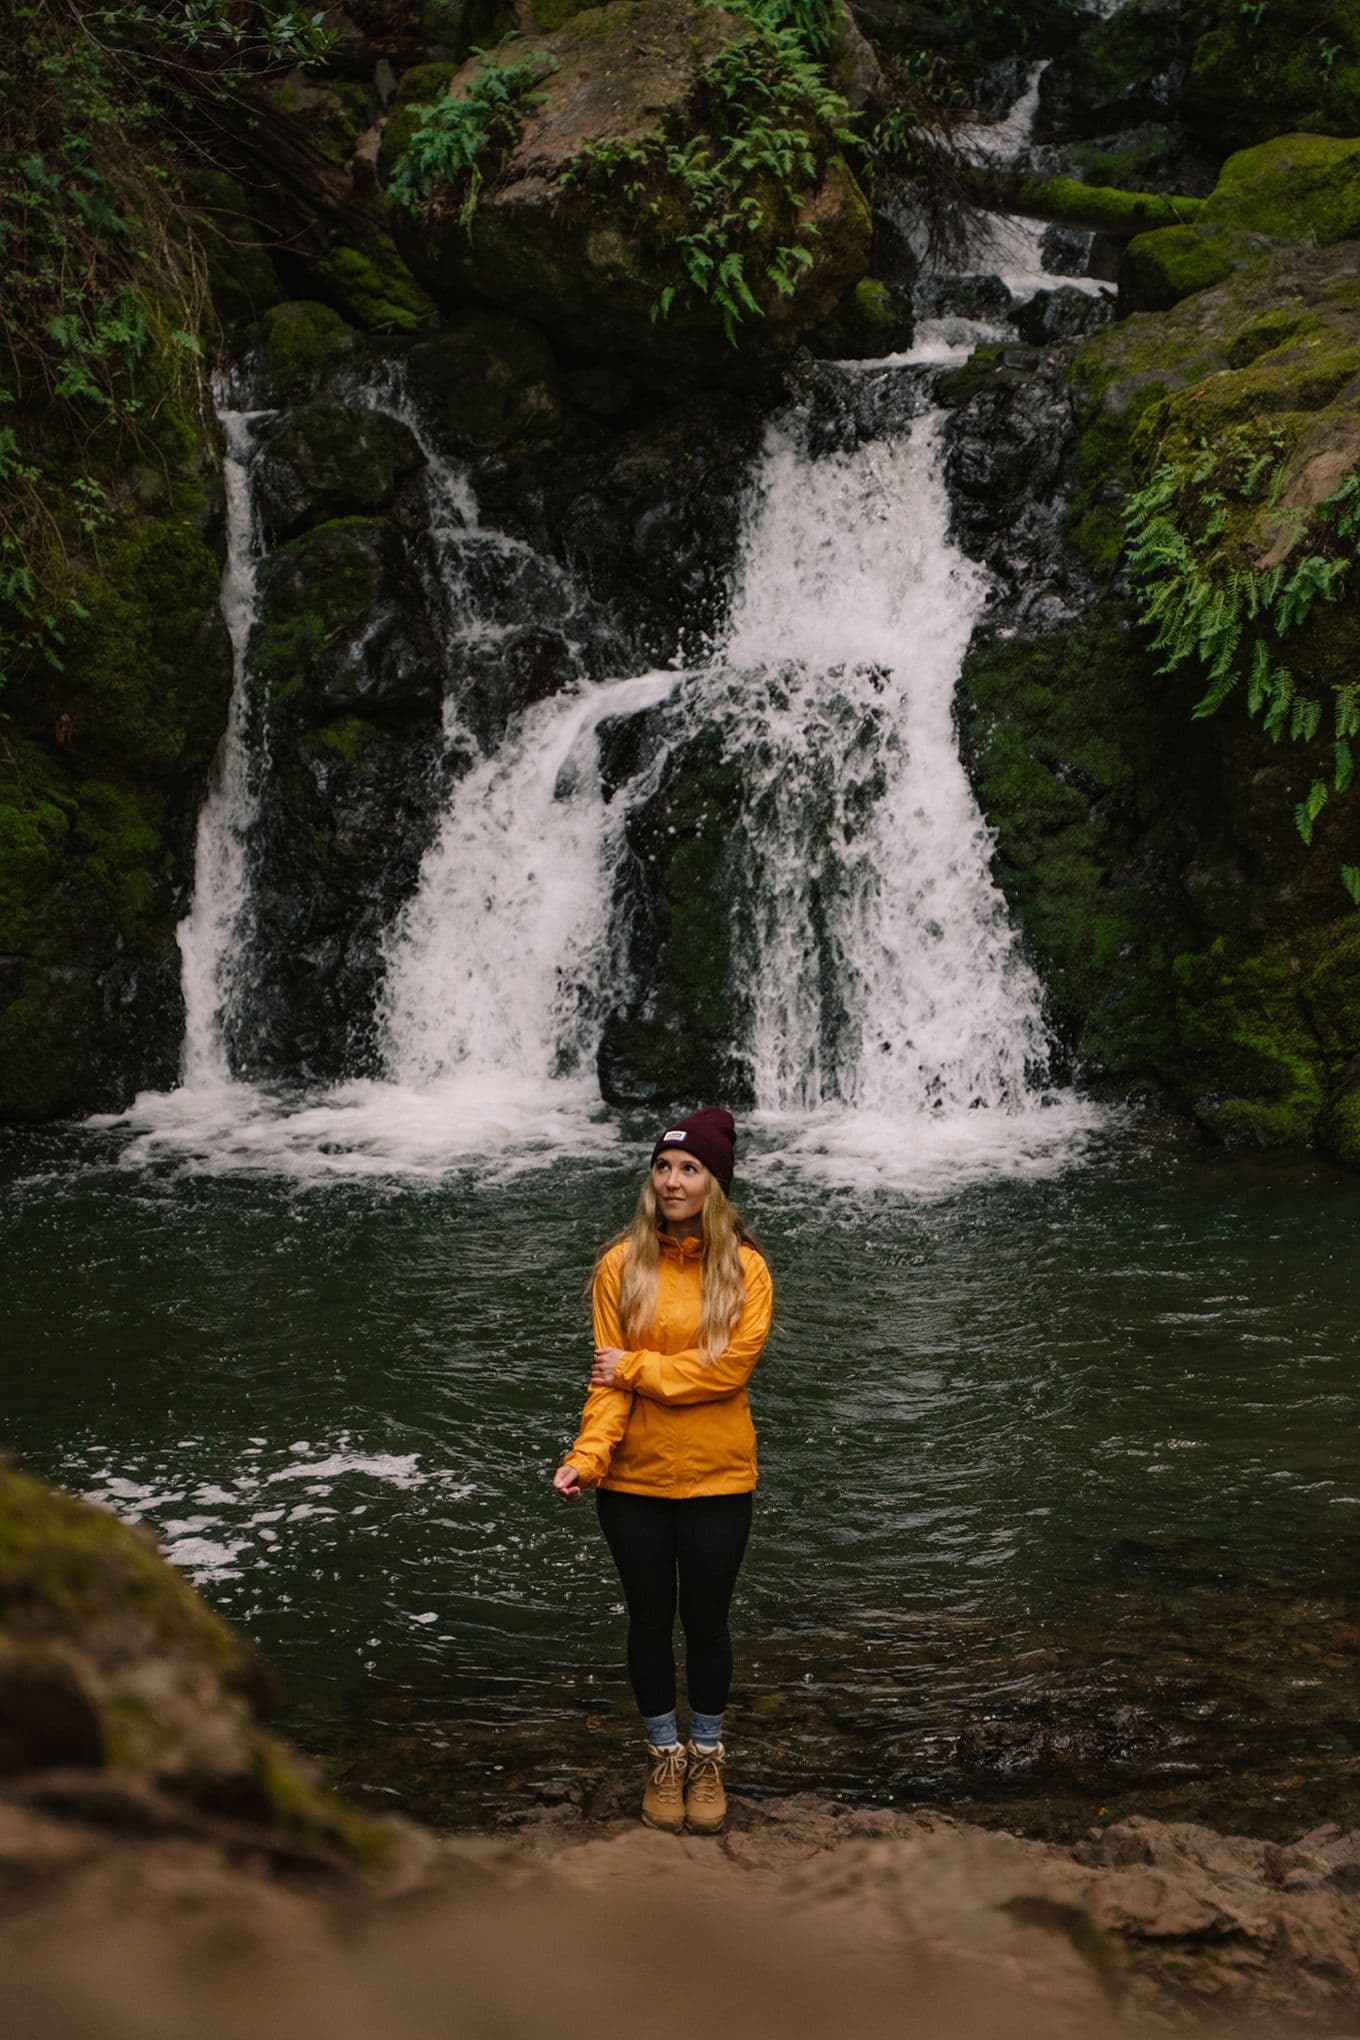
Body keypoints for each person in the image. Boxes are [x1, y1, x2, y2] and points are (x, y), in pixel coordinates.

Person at [553, 1107, 773, 1836]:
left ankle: (708, 1755)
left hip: (718, 1478)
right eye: (664, 1168)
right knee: (649, 1620)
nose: (673, 1181)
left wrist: (639, 1365)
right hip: (633, 1483)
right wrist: (588, 1458)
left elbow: (728, 1370)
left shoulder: (745, 1269)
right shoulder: (621, 1265)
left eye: (689, 1170)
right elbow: (606, 1381)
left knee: (706, 1623)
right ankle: (663, 1756)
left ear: (715, 1183)